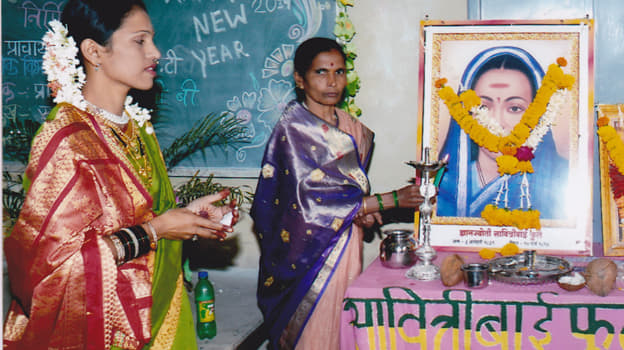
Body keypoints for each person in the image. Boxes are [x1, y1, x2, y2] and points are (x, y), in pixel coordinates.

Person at [3, 0, 236, 348]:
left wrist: (187, 216)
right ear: (94, 51)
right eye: (140, 41)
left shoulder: (137, 127)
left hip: (162, 315)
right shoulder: (67, 141)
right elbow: (56, 269)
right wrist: (159, 229)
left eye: (152, 40)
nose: (156, 52)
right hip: (108, 329)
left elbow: (140, 216)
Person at [250, 37, 424, 350]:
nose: (332, 82)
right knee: (316, 335)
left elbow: (345, 190)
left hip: (346, 244)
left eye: (340, 72)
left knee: (343, 330)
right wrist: (391, 200)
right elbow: (308, 204)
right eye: (321, 73)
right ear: (300, 79)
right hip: (309, 257)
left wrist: (366, 210)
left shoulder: (351, 127)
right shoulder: (292, 130)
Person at [436, 46, 569, 219]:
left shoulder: (562, 180)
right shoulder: (442, 184)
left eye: (514, 108)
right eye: (483, 107)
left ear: (539, 114)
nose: (497, 122)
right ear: (465, 113)